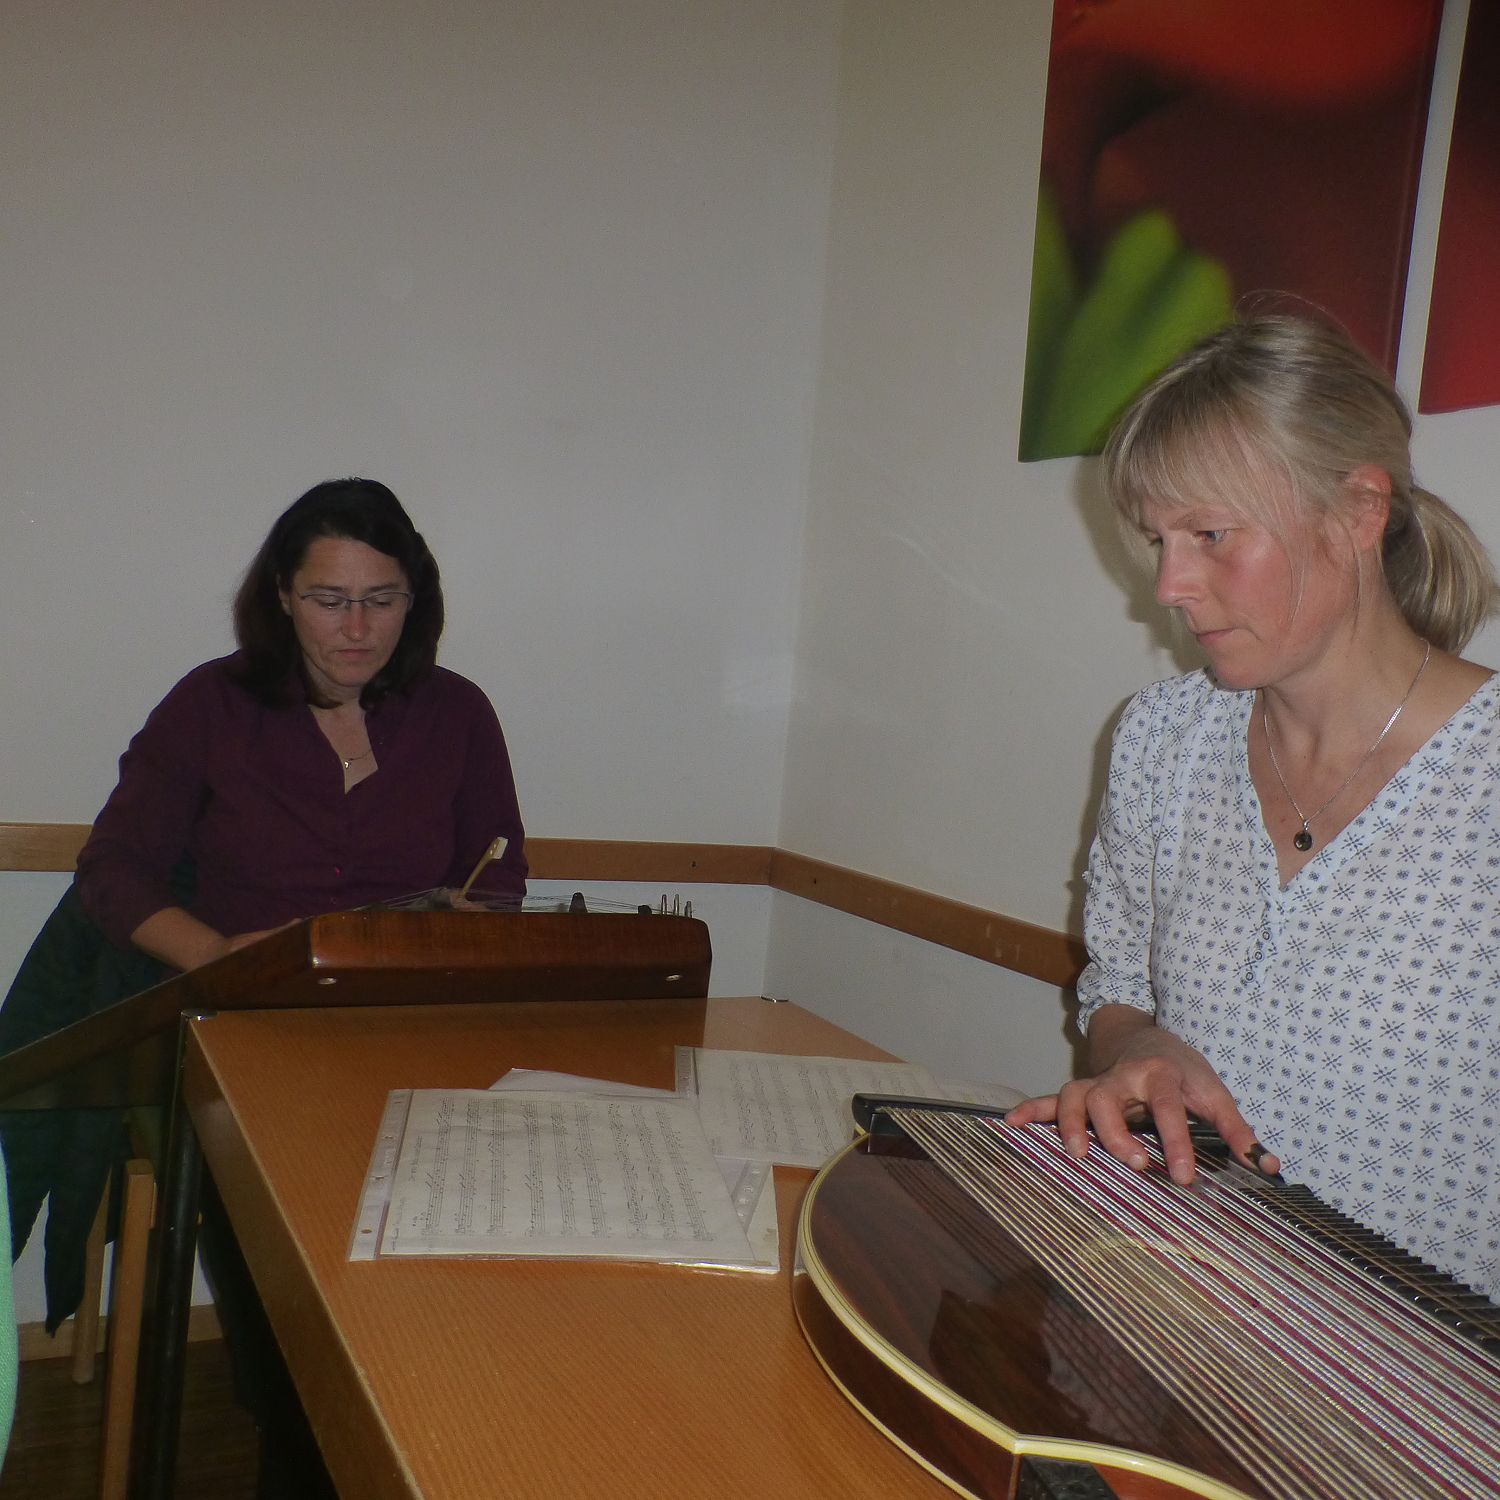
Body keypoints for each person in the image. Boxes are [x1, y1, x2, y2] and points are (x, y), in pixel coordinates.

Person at [33, 476, 526, 1496]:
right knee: (293, 1228)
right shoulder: (211, 705)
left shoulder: (458, 713)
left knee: (477, 1220)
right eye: (329, 599)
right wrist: (219, 953)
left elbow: (501, 879)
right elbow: (113, 871)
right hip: (241, 1024)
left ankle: (426, 1421)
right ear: (282, 597)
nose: (357, 628)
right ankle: (310, 1426)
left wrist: (456, 922)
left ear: (417, 599)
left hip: (403, 1032)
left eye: (381, 599)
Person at [1009, 314, 1500, 1304]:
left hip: (1424, 1366)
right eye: (1159, 540)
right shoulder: (1161, 740)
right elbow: (1115, 988)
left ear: (1359, 510)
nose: (1168, 585)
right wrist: (1138, 1048)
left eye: (1210, 535)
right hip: (1176, 1309)